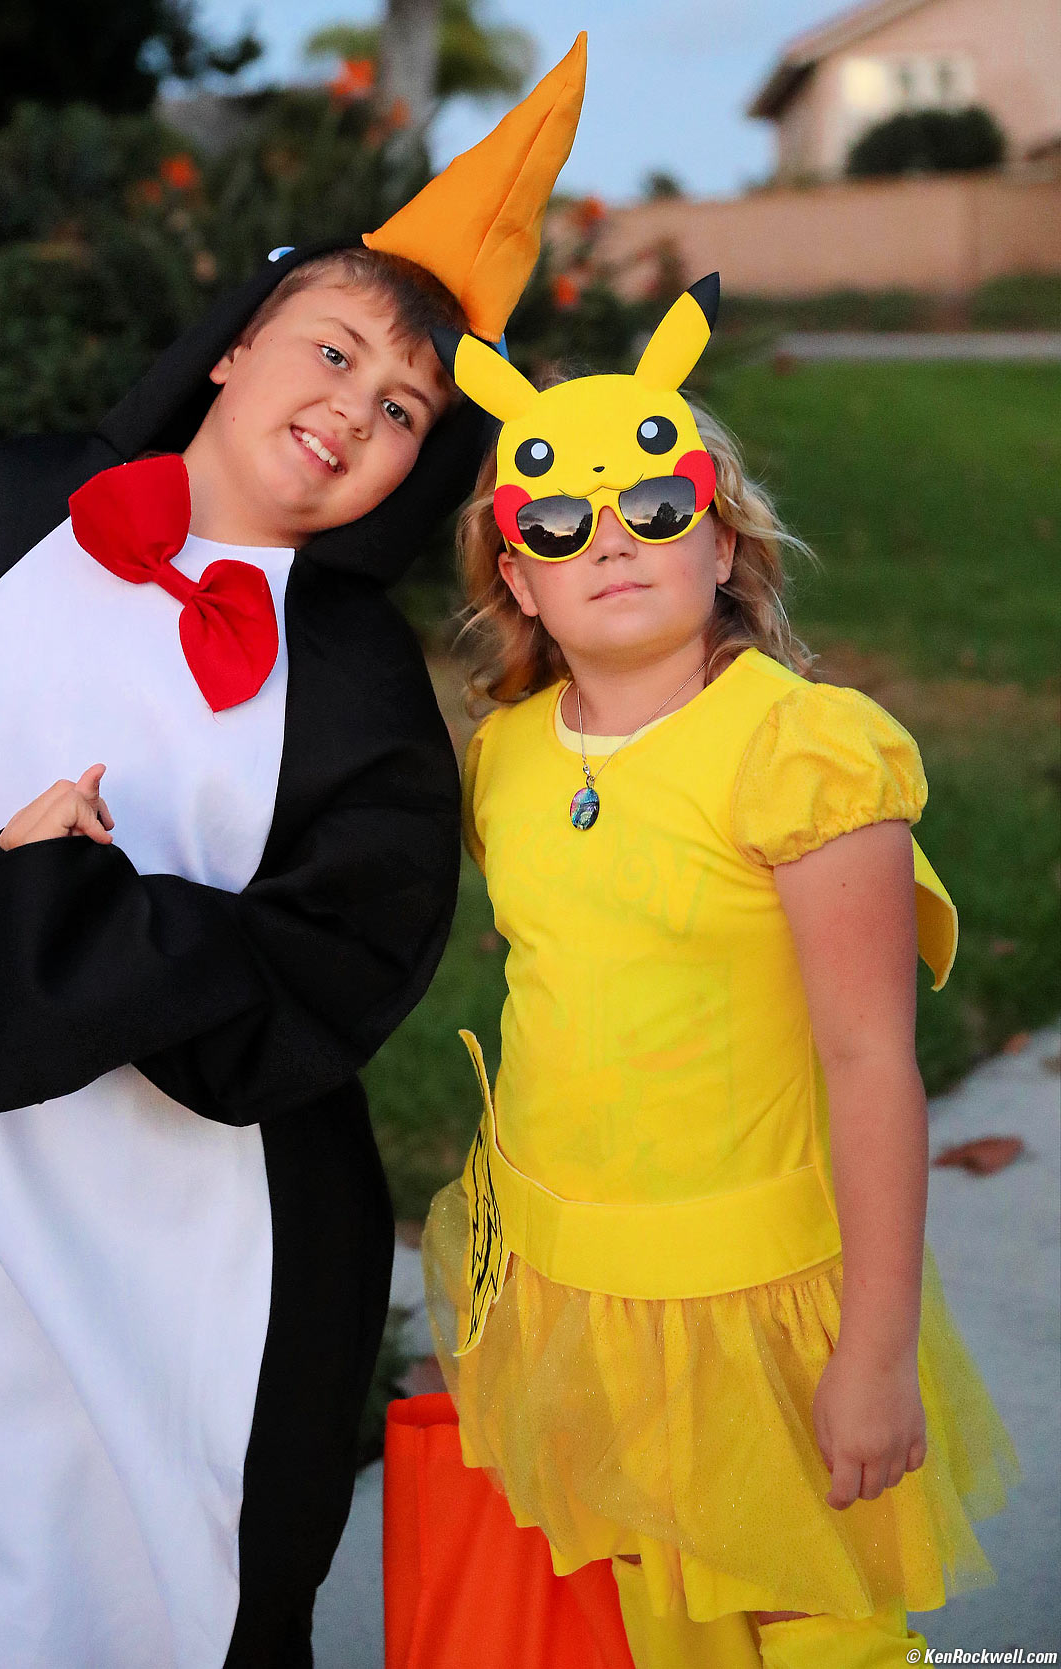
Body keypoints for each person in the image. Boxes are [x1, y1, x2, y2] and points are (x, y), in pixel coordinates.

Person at [0, 38, 587, 1669]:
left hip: (194, 1267)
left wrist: (89, 917)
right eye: (328, 351)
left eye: (402, 408)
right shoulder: (2, 515)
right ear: (239, 343)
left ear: (429, 465)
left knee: (154, 1597)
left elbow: (330, 977)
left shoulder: (362, 703)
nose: (350, 410)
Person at [422, 276, 1020, 1669]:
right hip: (579, 1288)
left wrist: (870, 1350)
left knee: (818, 1628)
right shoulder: (505, 758)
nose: (612, 542)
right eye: (559, 521)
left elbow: (872, 1058)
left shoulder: (801, 753)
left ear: (724, 542)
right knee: (654, 1625)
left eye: (656, 507)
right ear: (517, 572)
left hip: (762, 1302)